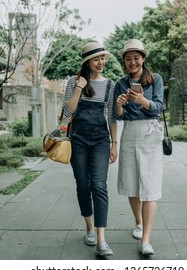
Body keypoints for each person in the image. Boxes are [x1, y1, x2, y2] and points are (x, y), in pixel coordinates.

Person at [63, 41, 118, 256]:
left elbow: (112, 117)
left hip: (101, 140)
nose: (101, 62)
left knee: (100, 186)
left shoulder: (109, 85)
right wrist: (79, 87)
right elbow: (68, 112)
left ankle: (101, 239)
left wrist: (115, 143)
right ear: (87, 61)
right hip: (78, 140)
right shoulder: (73, 82)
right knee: (83, 185)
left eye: (103, 58)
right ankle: (89, 228)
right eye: (97, 59)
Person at [114, 39, 164, 256]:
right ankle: (138, 222)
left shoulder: (155, 80)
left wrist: (143, 100)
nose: (132, 62)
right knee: (132, 183)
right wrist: (118, 105)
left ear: (143, 58)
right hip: (129, 133)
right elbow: (117, 116)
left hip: (150, 134)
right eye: (128, 59)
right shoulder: (120, 84)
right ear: (124, 62)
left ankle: (146, 240)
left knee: (150, 186)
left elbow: (159, 108)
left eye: (136, 58)